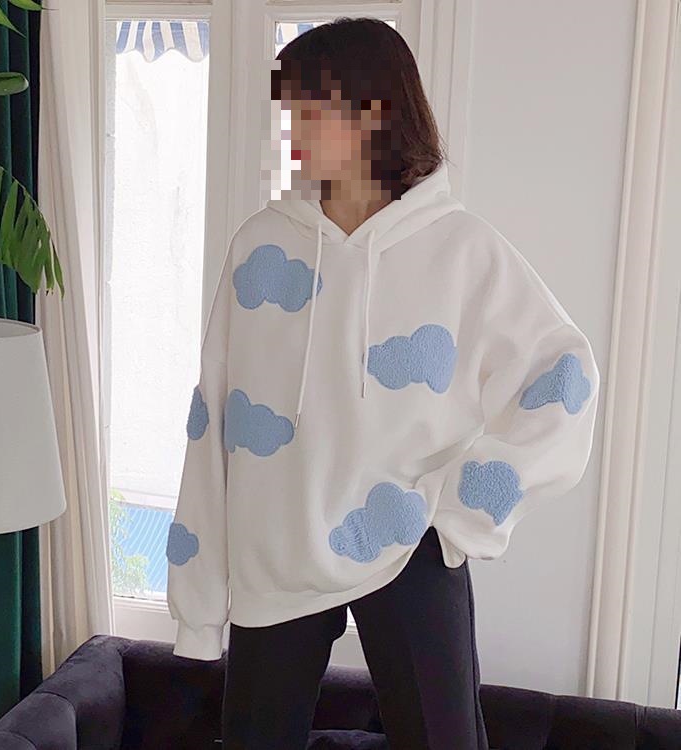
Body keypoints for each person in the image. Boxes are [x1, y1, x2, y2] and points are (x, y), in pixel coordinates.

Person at [166, 16, 600, 750]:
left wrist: (460, 512)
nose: (293, 133)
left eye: (311, 112)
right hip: (277, 549)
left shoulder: (461, 250)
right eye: (290, 113)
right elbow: (212, 421)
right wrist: (198, 607)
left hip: (408, 541)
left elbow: (565, 376)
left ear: (374, 113)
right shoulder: (259, 247)